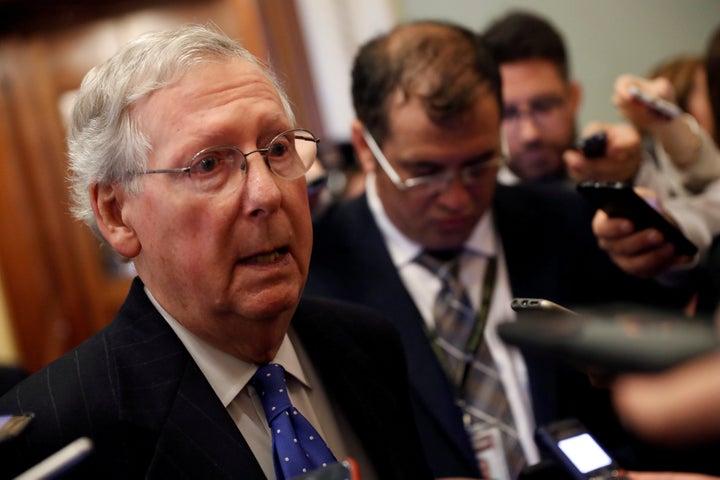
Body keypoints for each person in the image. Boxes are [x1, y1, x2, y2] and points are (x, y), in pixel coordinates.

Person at [0, 25, 434, 480]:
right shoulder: (58, 433)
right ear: (116, 215)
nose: (266, 193)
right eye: (208, 164)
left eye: (279, 148)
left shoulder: (369, 345)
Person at [304, 19, 699, 480]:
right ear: (366, 148)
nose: (456, 198)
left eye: (479, 164)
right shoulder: (317, 273)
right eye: (425, 172)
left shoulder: (573, 225)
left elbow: (666, 388)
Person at [482, 11, 580, 186]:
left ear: (574, 98)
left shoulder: (628, 176)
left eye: (543, 107)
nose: (530, 134)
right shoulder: (475, 206)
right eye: (508, 113)